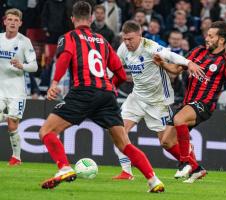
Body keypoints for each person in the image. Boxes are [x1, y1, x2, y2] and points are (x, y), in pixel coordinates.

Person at [39, 2, 164, 193]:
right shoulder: (102, 40)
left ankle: (64, 168)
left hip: (83, 92)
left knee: (46, 131)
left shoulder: (69, 37)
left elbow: (64, 57)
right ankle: (154, 180)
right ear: (90, 19)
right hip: (106, 95)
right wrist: (109, 88)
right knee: (124, 144)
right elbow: (121, 73)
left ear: (72, 19)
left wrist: (55, 83)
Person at [154, 21, 226, 183]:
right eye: (207, 35)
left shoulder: (225, 62)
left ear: (221, 40)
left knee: (179, 119)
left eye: (211, 36)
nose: (207, 38)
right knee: (166, 142)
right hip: (187, 103)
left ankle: (184, 163)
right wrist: (163, 64)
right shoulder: (197, 51)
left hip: (205, 105)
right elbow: (176, 69)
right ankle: (196, 168)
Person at [113, 20, 203, 181]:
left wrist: (189, 63)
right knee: (119, 132)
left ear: (139, 36)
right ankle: (127, 172)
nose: (127, 43)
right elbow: (113, 66)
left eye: (130, 39)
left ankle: (194, 166)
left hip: (158, 101)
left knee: (166, 142)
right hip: (136, 98)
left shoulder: (150, 47)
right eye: (124, 39)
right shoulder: (123, 49)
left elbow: (170, 55)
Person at [0, 8, 38, 166]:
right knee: (10, 120)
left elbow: (34, 67)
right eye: (10, 20)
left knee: (12, 125)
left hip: (17, 91)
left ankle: (16, 157)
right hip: (0, 89)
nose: (12, 23)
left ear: (20, 23)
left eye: (16, 20)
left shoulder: (24, 42)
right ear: (4, 21)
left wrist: (21, 65)